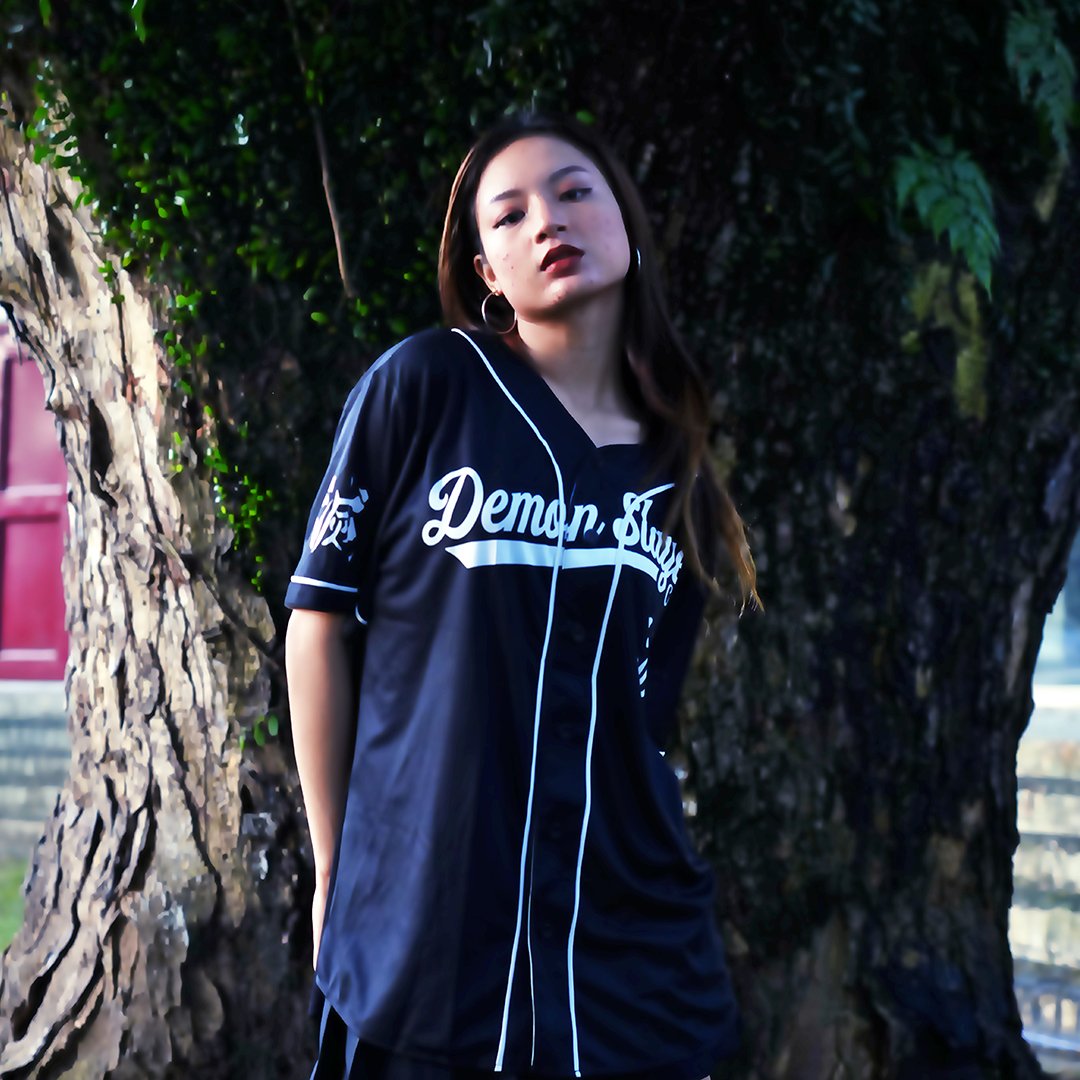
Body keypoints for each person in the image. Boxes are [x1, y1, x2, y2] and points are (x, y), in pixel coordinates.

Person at [284, 112, 760, 1080]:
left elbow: (641, 723)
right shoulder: (426, 386)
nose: (549, 220)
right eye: (510, 215)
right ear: (487, 272)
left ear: (625, 222)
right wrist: (336, 864)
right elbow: (319, 625)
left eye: (575, 192)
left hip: (625, 951)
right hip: (425, 931)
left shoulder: (679, 475)